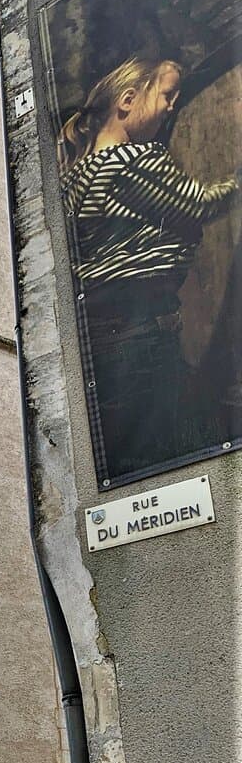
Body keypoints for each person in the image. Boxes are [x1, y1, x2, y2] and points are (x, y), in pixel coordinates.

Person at [58, 55, 241, 482]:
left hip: (102, 336)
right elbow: (197, 203)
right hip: (144, 331)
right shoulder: (134, 159)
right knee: (179, 452)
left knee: (131, 458)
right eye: (167, 95)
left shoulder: (76, 175)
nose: (173, 106)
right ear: (127, 100)